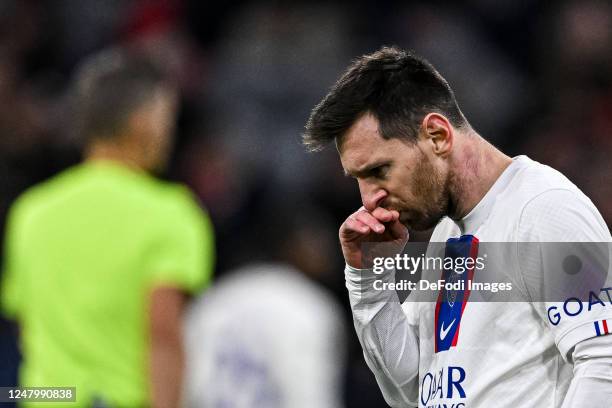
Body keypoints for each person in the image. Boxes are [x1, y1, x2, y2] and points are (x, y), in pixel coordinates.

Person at [303, 46, 612, 407]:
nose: (369, 199)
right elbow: (411, 390)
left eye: (378, 170)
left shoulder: (543, 209)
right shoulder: (449, 234)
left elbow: (604, 361)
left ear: (437, 135)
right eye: (358, 178)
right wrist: (369, 280)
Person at [0, 47, 214, 407]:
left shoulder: (31, 211)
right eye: (166, 116)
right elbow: (162, 337)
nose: (170, 130)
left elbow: (26, 330)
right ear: (140, 121)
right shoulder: (171, 213)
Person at [183, 202, 345, 408]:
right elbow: (311, 398)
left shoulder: (217, 298)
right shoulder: (309, 306)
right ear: (289, 244)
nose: (325, 252)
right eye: (315, 241)